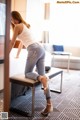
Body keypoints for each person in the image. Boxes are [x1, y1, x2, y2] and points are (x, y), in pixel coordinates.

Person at [9, 11, 53, 116]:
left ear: (15, 17)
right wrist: (17, 55)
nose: (11, 20)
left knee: (28, 73)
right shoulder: (25, 26)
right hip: (41, 49)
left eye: (11, 18)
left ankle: (41, 78)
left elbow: (12, 42)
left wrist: (7, 54)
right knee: (43, 77)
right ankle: (49, 103)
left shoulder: (17, 26)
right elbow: (21, 44)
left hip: (34, 49)